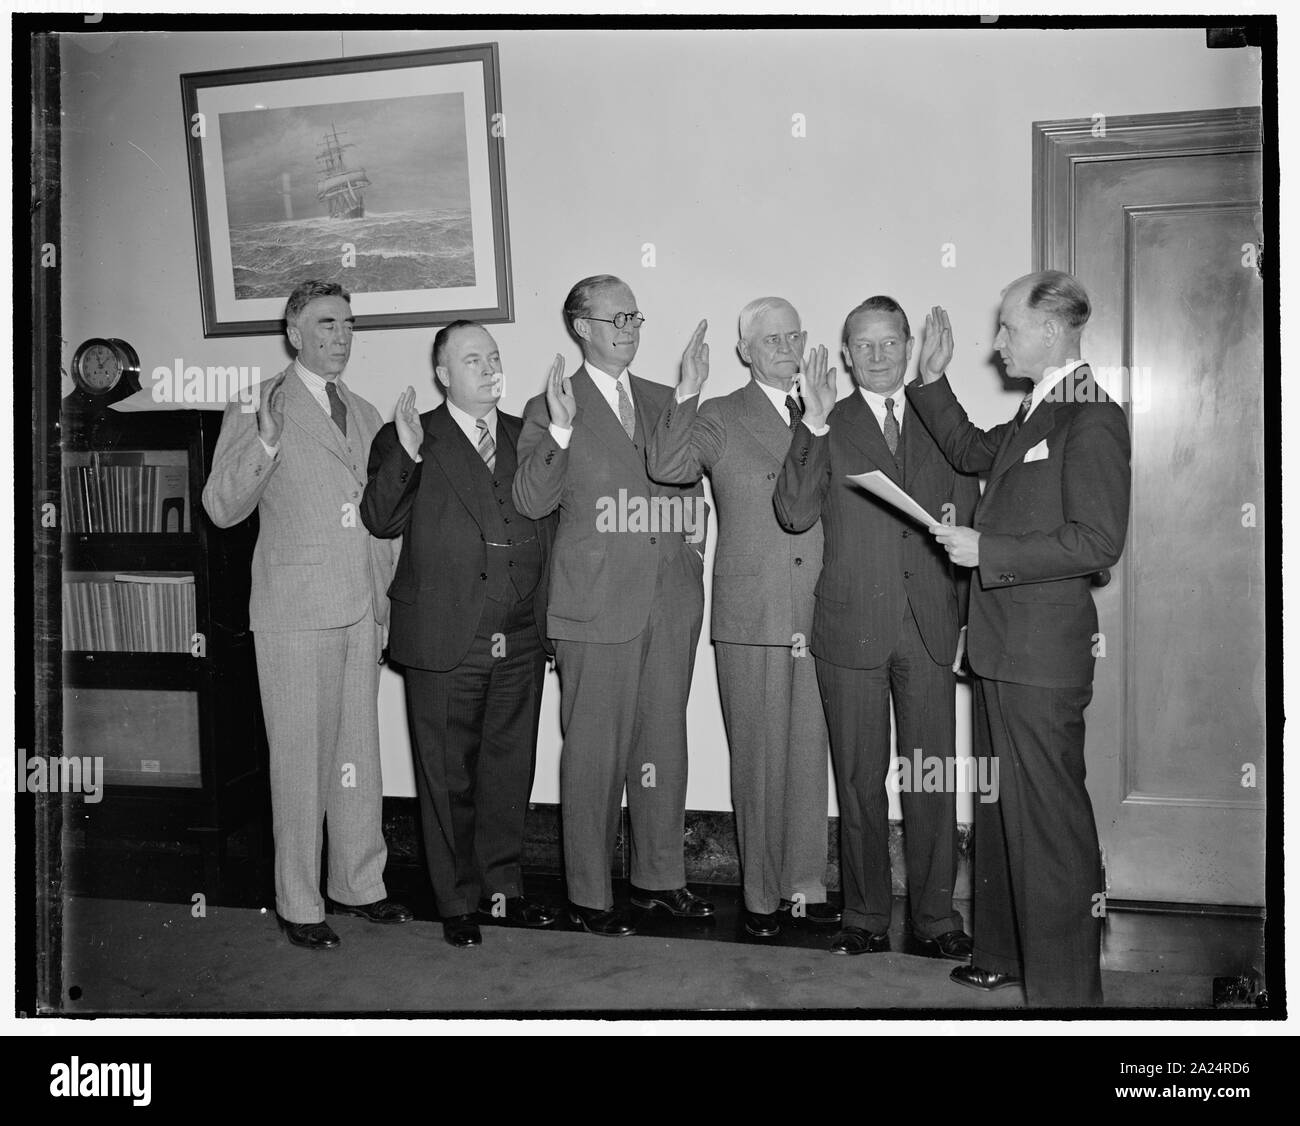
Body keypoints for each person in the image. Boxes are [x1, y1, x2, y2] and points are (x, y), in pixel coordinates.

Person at [907, 271, 1131, 1006]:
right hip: (1001, 649)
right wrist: (932, 382)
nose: (997, 341)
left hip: (1040, 656)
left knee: (1051, 826)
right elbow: (974, 449)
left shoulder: (1090, 415)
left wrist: (989, 552)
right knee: (1003, 809)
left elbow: (1098, 541)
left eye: (1007, 327)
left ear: (1050, 329)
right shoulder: (1044, 408)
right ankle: (1000, 950)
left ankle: (1068, 996)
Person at [202, 279, 411, 950]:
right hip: (294, 612)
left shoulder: (369, 410)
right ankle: (298, 901)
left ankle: (360, 884)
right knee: (299, 762)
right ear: (294, 333)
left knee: (358, 758)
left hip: (359, 608)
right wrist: (263, 445)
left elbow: (383, 523)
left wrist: (384, 608)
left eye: (348, 323)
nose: (341, 336)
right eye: (325, 324)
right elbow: (221, 507)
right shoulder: (260, 402)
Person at [774, 296, 979, 959]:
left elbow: (974, 519)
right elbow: (793, 511)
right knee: (860, 782)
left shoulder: (939, 416)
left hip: (927, 627)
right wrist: (814, 420)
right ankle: (862, 915)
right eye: (863, 346)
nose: (879, 355)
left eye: (890, 342)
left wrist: (972, 622)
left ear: (911, 342)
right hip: (849, 629)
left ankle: (936, 916)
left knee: (929, 777)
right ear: (845, 355)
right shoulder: (829, 422)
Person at [513, 275, 712, 936]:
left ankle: (659, 878)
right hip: (596, 603)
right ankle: (589, 896)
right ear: (581, 326)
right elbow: (532, 500)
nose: (630, 328)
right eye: (616, 317)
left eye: (636, 317)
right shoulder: (552, 405)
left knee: (664, 740)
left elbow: (682, 477)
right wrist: (563, 435)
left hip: (671, 598)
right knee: (595, 752)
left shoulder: (664, 398)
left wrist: (693, 527)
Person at [361, 321, 558, 948]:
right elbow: (380, 518)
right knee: (448, 776)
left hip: (520, 632)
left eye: (495, 357)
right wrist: (409, 452)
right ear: (443, 373)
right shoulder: (412, 434)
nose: (490, 368)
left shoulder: (523, 434)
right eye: (473, 359)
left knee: (508, 768)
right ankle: (456, 902)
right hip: (448, 637)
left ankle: (501, 893)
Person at [645, 299, 838, 938]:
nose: (785, 346)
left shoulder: (832, 414)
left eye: (794, 335)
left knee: (810, 755)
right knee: (758, 757)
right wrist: (687, 391)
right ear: (744, 351)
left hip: (821, 609)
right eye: (770, 338)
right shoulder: (722, 415)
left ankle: (803, 888)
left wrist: (820, 419)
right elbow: (668, 467)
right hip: (752, 610)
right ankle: (759, 899)